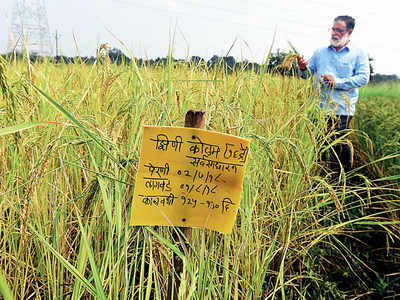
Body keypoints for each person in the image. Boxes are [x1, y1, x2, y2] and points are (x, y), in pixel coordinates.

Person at [297, 15, 370, 172]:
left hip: (342, 109)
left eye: (339, 30)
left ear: (349, 32)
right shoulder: (319, 52)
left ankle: (342, 181)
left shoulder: (358, 53)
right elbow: (306, 76)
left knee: (339, 145)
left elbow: (363, 78)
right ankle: (321, 177)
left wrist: (336, 82)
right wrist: (302, 68)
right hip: (319, 108)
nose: (334, 33)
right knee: (319, 145)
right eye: (333, 29)